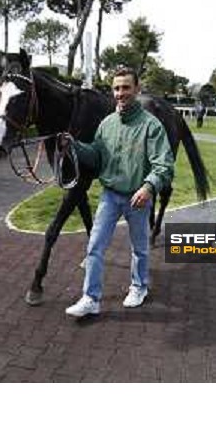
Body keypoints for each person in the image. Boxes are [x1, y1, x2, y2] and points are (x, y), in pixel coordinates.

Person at [65, 66, 175, 317]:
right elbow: (96, 155)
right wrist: (74, 146)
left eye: (126, 87)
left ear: (137, 89)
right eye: (116, 88)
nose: (120, 93)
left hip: (138, 197)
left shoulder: (152, 125)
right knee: (94, 246)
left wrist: (149, 187)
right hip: (110, 196)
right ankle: (91, 298)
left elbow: (164, 164)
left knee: (140, 248)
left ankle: (139, 286)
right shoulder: (107, 124)